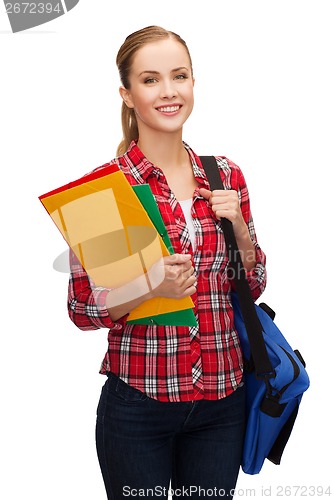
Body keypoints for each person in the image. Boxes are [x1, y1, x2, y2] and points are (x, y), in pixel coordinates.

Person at [68, 25, 267, 499]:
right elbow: (82, 310)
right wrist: (149, 286)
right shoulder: (103, 190)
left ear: (194, 83)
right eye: (150, 79)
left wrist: (238, 226)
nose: (169, 91)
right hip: (139, 402)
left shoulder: (224, 174)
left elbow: (253, 284)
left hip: (224, 398)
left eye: (179, 76)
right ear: (127, 94)